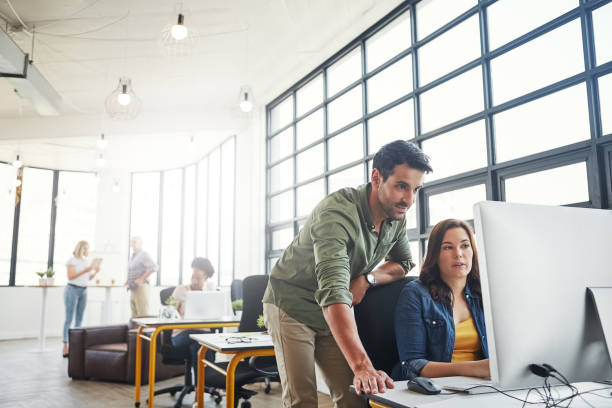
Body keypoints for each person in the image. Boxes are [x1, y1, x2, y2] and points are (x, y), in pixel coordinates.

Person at [262, 140, 432, 407]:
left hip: (335, 311)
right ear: (376, 178)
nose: (409, 200)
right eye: (401, 186)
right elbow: (333, 293)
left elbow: (403, 262)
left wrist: (368, 279)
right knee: (303, 400)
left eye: (415, 189)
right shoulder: (337, 213)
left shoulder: (395, 215)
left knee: (355, 398)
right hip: (292, 305)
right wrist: (363, 364)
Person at [392, 219, 489, 381]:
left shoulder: (483, 294)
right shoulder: (415, 294)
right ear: (435, 255)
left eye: (465, 246)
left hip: (481, 385)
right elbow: (413, 364)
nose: (458, 253)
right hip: (435, 388)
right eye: (448, 247)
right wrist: (477, 368)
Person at [165, 257, 217, 383]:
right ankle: (210, 383)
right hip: (181, 335)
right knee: (203, 340)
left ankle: (199, 387)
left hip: (202, 335)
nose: (194, 280)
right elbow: (168, 312)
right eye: (192, 277)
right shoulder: (181, 290)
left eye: (198, 278)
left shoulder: (211, 293)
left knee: (197, 346)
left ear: (205, 278)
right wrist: (175, 314)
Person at [62, 240, 101, 357]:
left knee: (79, 319)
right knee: (69, 319)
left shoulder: (86, 262)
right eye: (84, 248)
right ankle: (65, 347)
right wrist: (85, 270)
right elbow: (70, 276)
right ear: (79, 248)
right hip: (72, 290)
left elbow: (87, 278)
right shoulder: (71, 261)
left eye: (87, 248)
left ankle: (75, 346)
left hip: (84, 290)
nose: (86, 250)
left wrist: (95, 272)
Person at [126, 236, 158, 317]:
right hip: (133, 288)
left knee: (143, 315)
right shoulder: (133, 256)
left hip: (141, 288)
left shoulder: (144, 254)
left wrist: (141, 278)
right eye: (131, 242)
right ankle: (136, 330)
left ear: (141, 243)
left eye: (135, 242)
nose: (132, 244)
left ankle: (144, 330)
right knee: (134, 316)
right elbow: (132, 271)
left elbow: (155, 267)